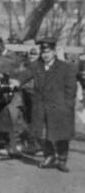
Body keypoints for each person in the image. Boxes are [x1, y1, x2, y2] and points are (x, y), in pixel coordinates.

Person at [26, 38, 77, 171]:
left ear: (54, 52)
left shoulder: (65, 67)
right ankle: (49, 156)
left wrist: (67, 106)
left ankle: (61, 159)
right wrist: (12, 82)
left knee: (61, 134)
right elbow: (22, 76)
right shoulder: (35, 66)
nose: (45, 55)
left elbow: (71, 89)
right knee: (44, 133)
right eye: (43, 52)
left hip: (60, 106)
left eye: (48, 52)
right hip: (41, 105)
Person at [0, 35, 27, 155]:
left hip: (11, 91)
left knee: (11, 114)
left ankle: (13, 145)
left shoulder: (12, 57)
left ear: (1, 44)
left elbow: (19, 71)